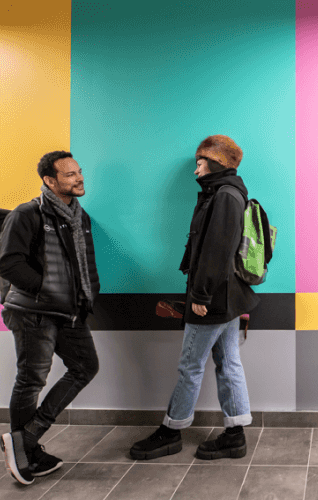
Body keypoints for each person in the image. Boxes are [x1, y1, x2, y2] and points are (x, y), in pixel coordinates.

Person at [129, 135, 260, 461]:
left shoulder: (225, 197)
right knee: (228, 363)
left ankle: (171, 432)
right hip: (225, 297)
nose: (195, 170)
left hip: (213, 298)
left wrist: (200, 293)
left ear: (216, 163)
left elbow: (217, 250)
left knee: (191, 366)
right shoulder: (220, 194)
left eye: (200, 163)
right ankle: (235, 435)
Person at [0, 151, 100, 484]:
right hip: (33, 312)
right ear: (49, 180)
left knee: (86, 367)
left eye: (79, 171)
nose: (79, 178)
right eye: (70, 174)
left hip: (70, 311)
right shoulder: (27, 214)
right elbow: (9, 264)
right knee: (31, 380)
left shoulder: (79, 216)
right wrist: (44, 289)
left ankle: (25, 440)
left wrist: (87, 297)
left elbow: (84, 264)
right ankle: (26, 451)